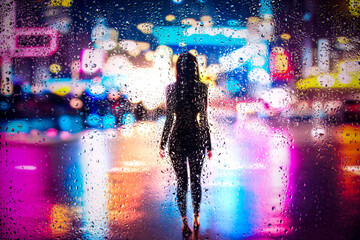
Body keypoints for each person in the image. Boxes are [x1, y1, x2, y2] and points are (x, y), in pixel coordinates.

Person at [159, 52, 212, 236]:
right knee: (196, 180)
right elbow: (204, 119)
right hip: (196, 137)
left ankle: (184, 222)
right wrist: (209, 144)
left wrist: (162, 143)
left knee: (181, 182)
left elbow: (169, 119)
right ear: (195, 67)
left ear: (178, 69)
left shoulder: (171, 89)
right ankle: (197, 217)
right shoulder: (202, 88)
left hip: (177, 138)